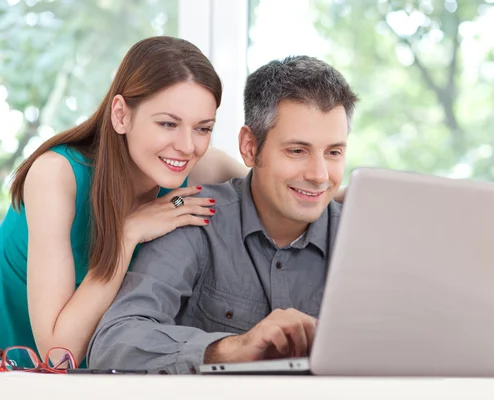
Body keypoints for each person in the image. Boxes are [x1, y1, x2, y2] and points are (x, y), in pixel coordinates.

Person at [87, 55, 359, 374]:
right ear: (249, 147)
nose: (319, 174)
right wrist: (231, 348)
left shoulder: (362, 237)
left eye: (334, 152)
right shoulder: (194, 217)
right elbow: (114, 343)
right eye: (297, 151)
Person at [0, 36, 250, 365]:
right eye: (167, 124)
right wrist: (129, 233)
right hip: (19, 371)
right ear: (121, 115)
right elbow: (58, 355)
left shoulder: (203, 167)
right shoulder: (56, 176)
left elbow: (281, 191)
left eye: (203, 128)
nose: (187, 146)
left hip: (106, 373)